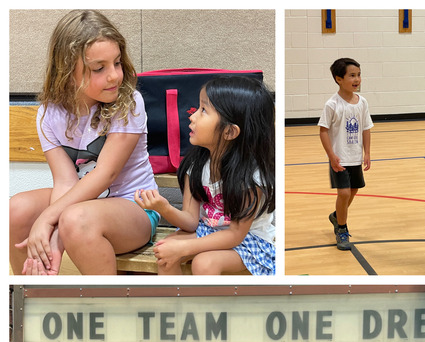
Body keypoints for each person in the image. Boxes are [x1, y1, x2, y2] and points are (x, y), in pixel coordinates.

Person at [9, 10, 160, 275]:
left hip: (135, 208)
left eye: (117, 63)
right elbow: (66, 183)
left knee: (74, 219)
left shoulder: (130, 103)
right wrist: (54, 236)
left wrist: (48, 220)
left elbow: (105, 174)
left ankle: (107, 308)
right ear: (67, 72)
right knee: (16, 208)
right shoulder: (49, 113)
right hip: (80, 205)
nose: (114, 75)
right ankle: (32, 294)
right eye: (99, 68)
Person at [135, 76, 275, 275]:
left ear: (229, 131)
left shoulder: (251, 178)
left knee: (205, 263)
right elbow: (191, 221)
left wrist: (184, 248)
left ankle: (206, 306)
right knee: (165, 250)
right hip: (207, 231)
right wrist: (163, 207)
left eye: (203, 110)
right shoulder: (196, 165)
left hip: (248, 240)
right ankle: (177, 304)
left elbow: (235, 235)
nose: (192, 116)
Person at [318, 58, 373, 250]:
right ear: (339, 79)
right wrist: (331, 156)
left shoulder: (362, 102)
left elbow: (366, 128)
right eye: (352, 75)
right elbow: (323, 131)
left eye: (359, 75)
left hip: (355, 156)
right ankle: (341, 228)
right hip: (339, 158)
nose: (357, 79)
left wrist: (367, 152)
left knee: (353, 190)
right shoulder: (332, 104)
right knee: (343, 193)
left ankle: (336, 215)